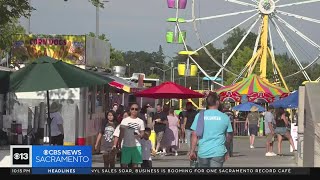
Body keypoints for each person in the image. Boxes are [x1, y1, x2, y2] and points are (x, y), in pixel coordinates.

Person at [189, 92, 233, 167]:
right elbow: (229, 136)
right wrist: (227, 150)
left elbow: (194, 135)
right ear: (217, 102)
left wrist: (192, 151)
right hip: (218, 152)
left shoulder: (200, 116)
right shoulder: (224, 117)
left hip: (203, 152)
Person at [118, 103, 145, 168]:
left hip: (137, 145)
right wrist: (119, 144)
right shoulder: (124, 120)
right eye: (132, 109)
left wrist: (139, 135)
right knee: (124, 165)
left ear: (138, 110)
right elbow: (121, 133)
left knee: (135, 165)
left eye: (136, 109)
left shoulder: (140, 121)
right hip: (126, 145)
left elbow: (142, 133)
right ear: (130, 110)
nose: (134, 110)